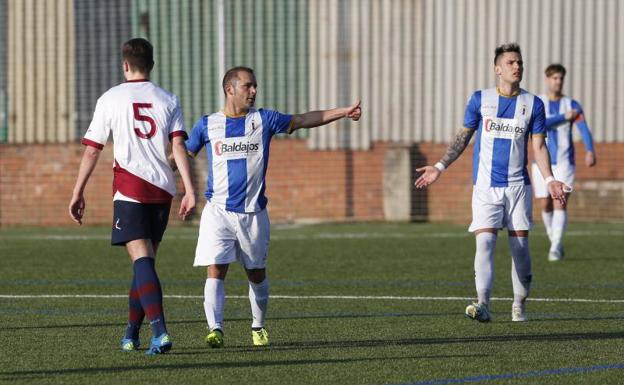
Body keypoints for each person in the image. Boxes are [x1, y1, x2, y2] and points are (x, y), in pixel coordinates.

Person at [184, 66, 361, 347]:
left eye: (255, 86)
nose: (254, 91)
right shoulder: (207, 124)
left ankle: (258, 326)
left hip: (253, 213)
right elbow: (182, 154)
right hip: (217, 210)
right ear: (230, 89)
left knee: (256, 273)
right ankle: (215, 328)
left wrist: (343, 111)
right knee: (216, 268)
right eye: (248, 86)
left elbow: (303, 119)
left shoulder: (264, 119)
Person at [414, 43, 566, 323]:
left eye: (519, 62)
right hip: (485, 186)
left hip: (519, 187)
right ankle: (483, 303)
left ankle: (519, 304)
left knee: (519, 248)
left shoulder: (534, 104)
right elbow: (462, 138)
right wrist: (439, 166)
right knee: (484, 243)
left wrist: (551, 179)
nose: (517, 66)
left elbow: (539, 147)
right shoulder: (479, 100)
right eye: (510, 62)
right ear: (498, 69)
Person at [68, 38, 196, 355]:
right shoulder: (168, 98)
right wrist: (190, 191)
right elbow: (178, 147)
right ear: (151, 64)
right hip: (163, 190)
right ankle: (131, 333)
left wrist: (77, 190)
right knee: (145, 262)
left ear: (125, 64)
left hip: (130, 189)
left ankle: (161, 332)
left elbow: (91, 150)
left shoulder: (111, 98)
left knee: (141, 261)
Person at [532, 64, 596, 262]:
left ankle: (555, 247)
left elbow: (583, 128)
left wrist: (590, 150)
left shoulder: (572, 105)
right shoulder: (538, 103)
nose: (558, 82)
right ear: (547, 79)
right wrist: (562, 117)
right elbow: (541, 124)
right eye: (554, 78)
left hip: (565, 161)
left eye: (560, 78)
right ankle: (554, 240)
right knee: (545, 204)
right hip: (541, 162)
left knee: (560, 202)